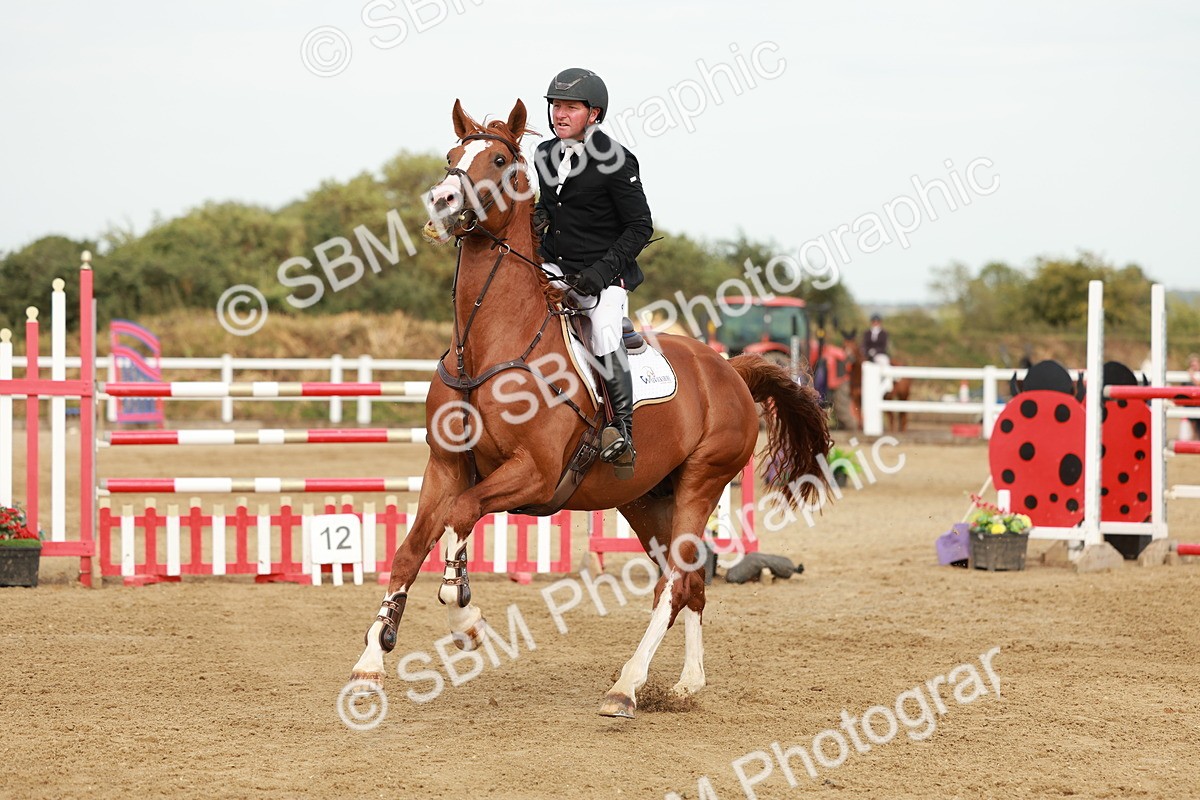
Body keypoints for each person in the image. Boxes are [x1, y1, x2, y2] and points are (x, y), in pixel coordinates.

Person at [533, 67, 653, 476]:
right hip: (555, 265)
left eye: (570, 107)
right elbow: (551, 207)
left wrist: (600, 273)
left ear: (594, 113)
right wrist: (537, 219)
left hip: (603, 276)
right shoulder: (545, 153)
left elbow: (639, 227)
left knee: (602, 329)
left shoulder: (616, 159)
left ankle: (622, 431)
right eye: (555, 106)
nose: (560, 114)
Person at [862, 313, 892, 393]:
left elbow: (884, 346)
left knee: (884, 362)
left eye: (877, 321)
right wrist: (867, 351)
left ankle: (887, 383)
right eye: (874, 321)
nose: (875, 323)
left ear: (880, 322)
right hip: (868, 355)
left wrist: (875, 351)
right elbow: (864, 344)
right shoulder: (867, 333)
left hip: (880, 354)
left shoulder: (884, 333)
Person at [1181, 353, 1200, 442]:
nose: (1194, 367)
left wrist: (1192, 377)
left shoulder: (1192, 376)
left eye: (1195, 365)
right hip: (1191, 405)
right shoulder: (1186, 377)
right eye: (1192, 365)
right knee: (1193, 429)